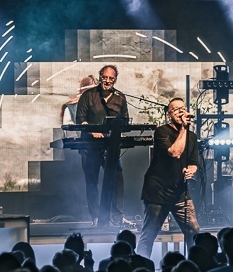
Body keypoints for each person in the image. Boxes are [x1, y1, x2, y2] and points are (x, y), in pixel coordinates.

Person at [136, 97, 201, 261]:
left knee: (194, 232)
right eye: (176, 109)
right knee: (149, 234)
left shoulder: (192, 137)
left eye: (183, 108)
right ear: (168, 115)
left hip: (179, 192)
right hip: (158, 191)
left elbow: (194, 163)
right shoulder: (162, 131)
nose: (181, 112)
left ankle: (196, 265)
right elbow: (175, 152)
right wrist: (183, 129)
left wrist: (191, 171)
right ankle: (140, 266)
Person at [75, 64, 129, 227]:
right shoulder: (88, 95)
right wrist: (92, 131)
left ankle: (117, 216)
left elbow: (125, 120)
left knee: (117, 179)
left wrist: (121, 132)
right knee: (92, 182)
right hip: (90, 147)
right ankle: (96, 217)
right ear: (100, 77)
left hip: (111, 146)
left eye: (111, 78)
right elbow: (80, 119)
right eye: (105, 77)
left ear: (115, 80)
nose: (107, 81)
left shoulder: (120, 97)